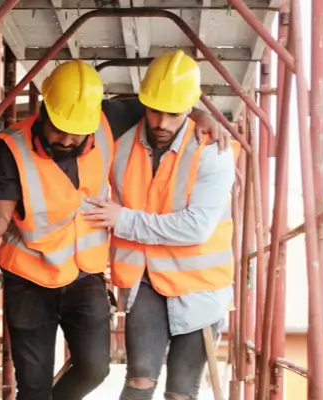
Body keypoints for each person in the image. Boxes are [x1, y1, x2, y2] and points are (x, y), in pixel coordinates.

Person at [0, 59, 230, 400]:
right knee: (34, 385)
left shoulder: (110, 120)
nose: (68, 138)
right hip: (30, 279)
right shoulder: (13, 147)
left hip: (85, 273)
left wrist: (203, 117)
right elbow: (1, 211)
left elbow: (168, 107)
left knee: (95, 369)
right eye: (59, 127)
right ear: (46, 110)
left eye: (77, 130)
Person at [82, 49, 240, 400]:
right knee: (139, 381)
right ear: (142, 103)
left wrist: (122, 219)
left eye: (175, 113)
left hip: (199, 288)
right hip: (143, 279)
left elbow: (195, 228)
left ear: (190, 107)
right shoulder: (118, 137)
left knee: (181, 392)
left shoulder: (213, 151)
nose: (163, 123)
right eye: (155, 110)